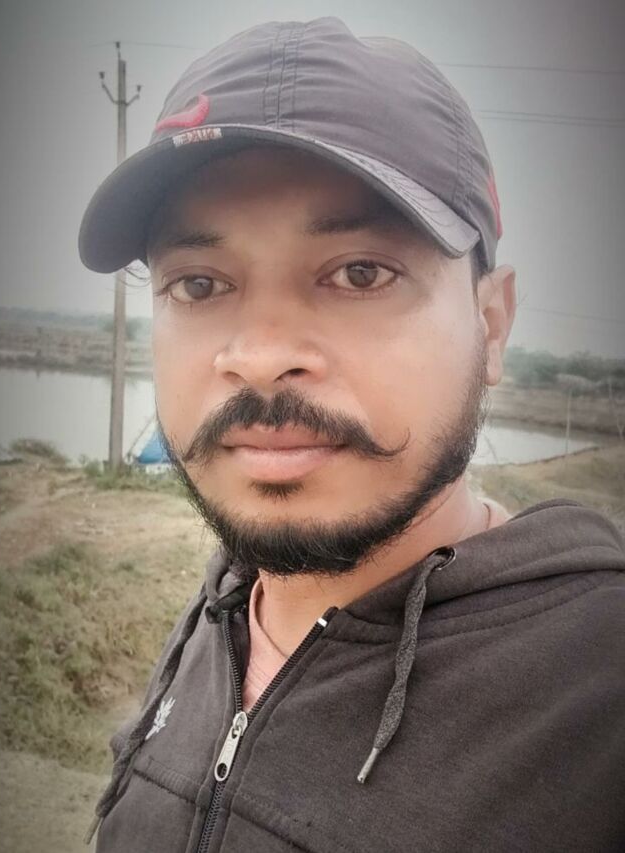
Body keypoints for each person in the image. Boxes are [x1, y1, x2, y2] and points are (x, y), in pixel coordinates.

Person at [79, 17, 625, 853]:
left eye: (360, 273)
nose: (261, 356)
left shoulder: (599, 693)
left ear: (491, 325)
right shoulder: (219, 615)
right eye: (198, 284)